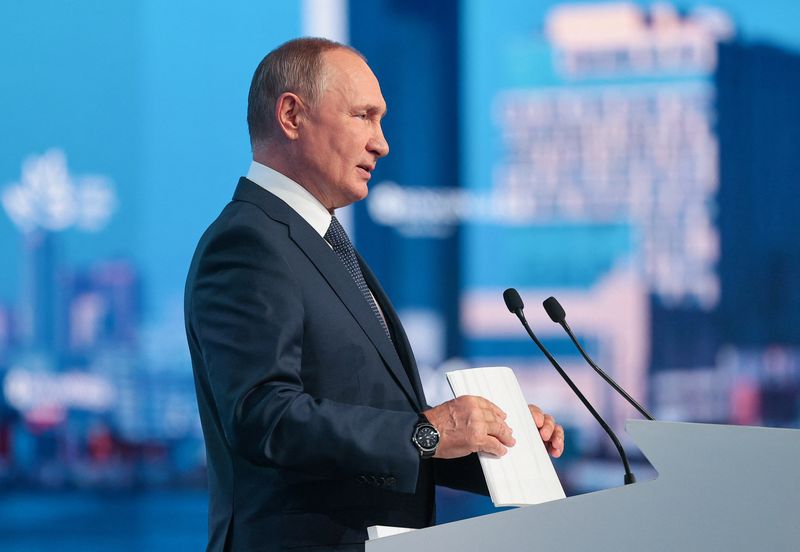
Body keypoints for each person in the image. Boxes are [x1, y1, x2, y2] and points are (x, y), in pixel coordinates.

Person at [184, 37, 564, 552]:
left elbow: (372, 430)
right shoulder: (249, 241)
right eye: (363, 116)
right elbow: (263, 415)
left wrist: (497, 441)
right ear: (292, 115)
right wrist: (427, 432)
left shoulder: (323, 240)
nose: (381, 143)